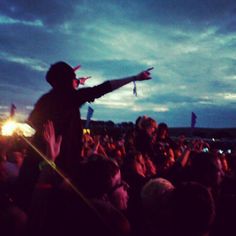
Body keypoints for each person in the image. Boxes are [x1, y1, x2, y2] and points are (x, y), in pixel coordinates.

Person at [16, 61, 152, 211]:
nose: (77, 81)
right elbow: (103, 88)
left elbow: (33, 119)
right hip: (58, 172)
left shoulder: (47, 100)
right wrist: (134, 77)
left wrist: (73, 81)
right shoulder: (69, 98)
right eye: (73, 78)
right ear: (67, 81)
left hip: (36, 170)